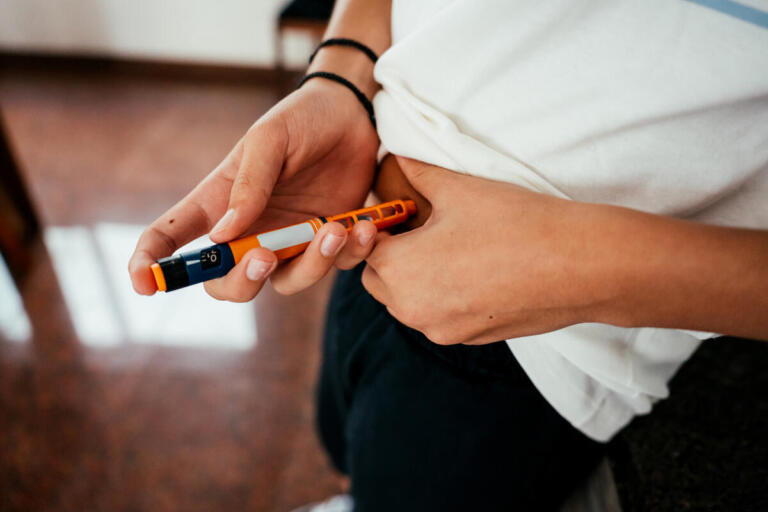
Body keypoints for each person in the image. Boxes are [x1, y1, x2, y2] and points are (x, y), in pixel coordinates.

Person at [129, 1, 768, 510]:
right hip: (366, 215)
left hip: (553, 338)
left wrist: (579, 265)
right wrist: (341, 75)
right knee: (345, 436)